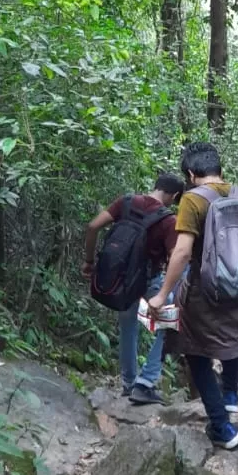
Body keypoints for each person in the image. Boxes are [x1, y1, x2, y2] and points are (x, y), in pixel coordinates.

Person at [149, 142, 238, 449]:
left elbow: (182, 252)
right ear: (220, 169)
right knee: (237, 341)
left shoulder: (192, 200)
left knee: (195, 353)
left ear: (190, 173)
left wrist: (162, 294)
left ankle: (222, 428)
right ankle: (230, 394)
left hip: (208, 292)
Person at [83, 172, 184, 404]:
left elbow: (92, 226)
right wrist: (163, 293)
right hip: (149, 281)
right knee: (170, 325)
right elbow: (175, 258)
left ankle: (129, 384)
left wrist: (89, 261)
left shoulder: (126, 202)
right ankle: (146, 382)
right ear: (174, 195)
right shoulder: (168, 220)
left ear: (156, 185)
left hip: (121, 281)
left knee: (128, 329)